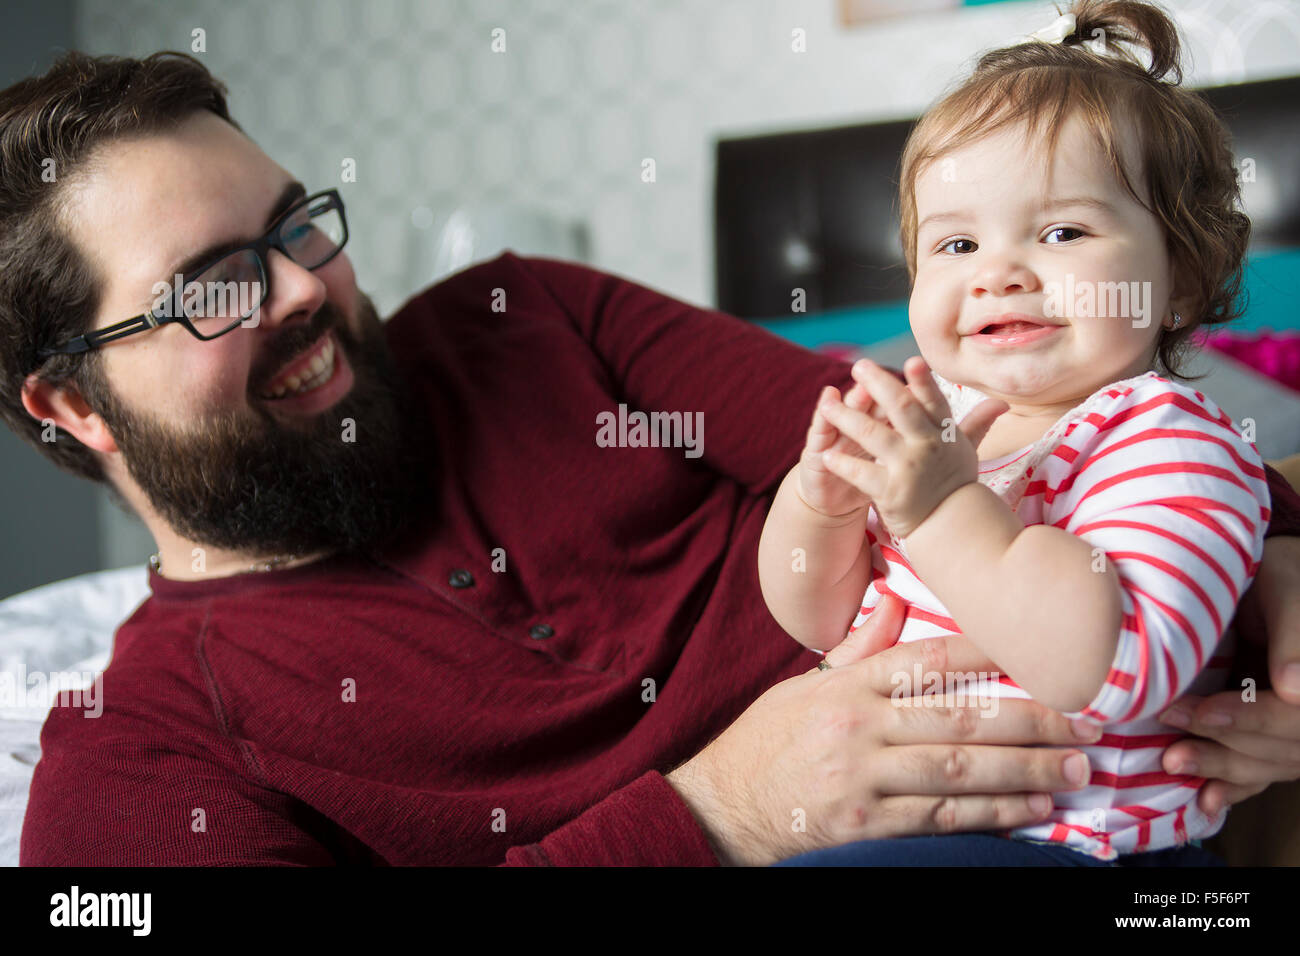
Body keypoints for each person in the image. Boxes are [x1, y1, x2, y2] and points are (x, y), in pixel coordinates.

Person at [4, 48, 1300, 868]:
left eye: (297, 227)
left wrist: (1279, 574)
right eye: (214, 286)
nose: (301, 288)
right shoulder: (145, 751)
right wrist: (723, 813)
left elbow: (982, 442)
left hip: (1120, 785)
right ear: (70, 403)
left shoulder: (525, 320)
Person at [760, 0, 1281, 865]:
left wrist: (941, 510)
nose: (998, 272)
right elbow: (819, 622)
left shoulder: (1174, 446)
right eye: (955, 245)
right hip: (917, 823)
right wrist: (819, 510)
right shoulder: (942, 433)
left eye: (1062, 231)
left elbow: (1109, 666)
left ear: (1180, 281)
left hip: (1083, 845)